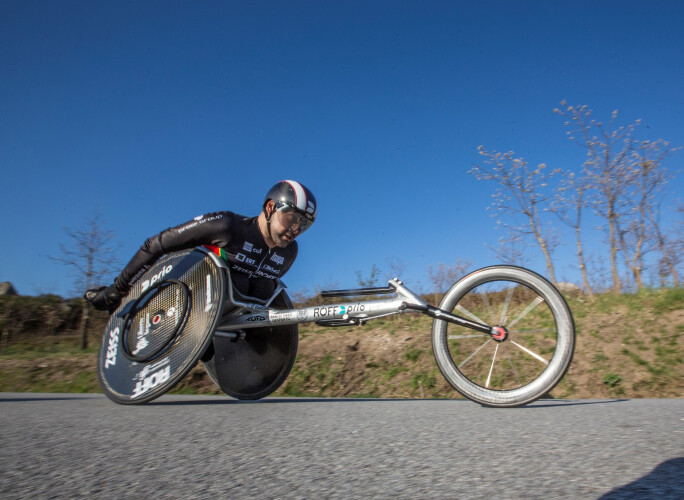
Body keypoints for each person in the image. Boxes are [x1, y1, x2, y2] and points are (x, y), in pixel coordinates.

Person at [85, 180, 317, 312]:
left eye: (303, 225)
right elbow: (156, 245)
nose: (295, 229)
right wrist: (117, 290)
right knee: (233, 278)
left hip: (225, 312)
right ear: (269, 208)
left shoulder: (289, 253)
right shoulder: (226, 226)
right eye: (291, 218)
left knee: (264, 287)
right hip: (186, 289)